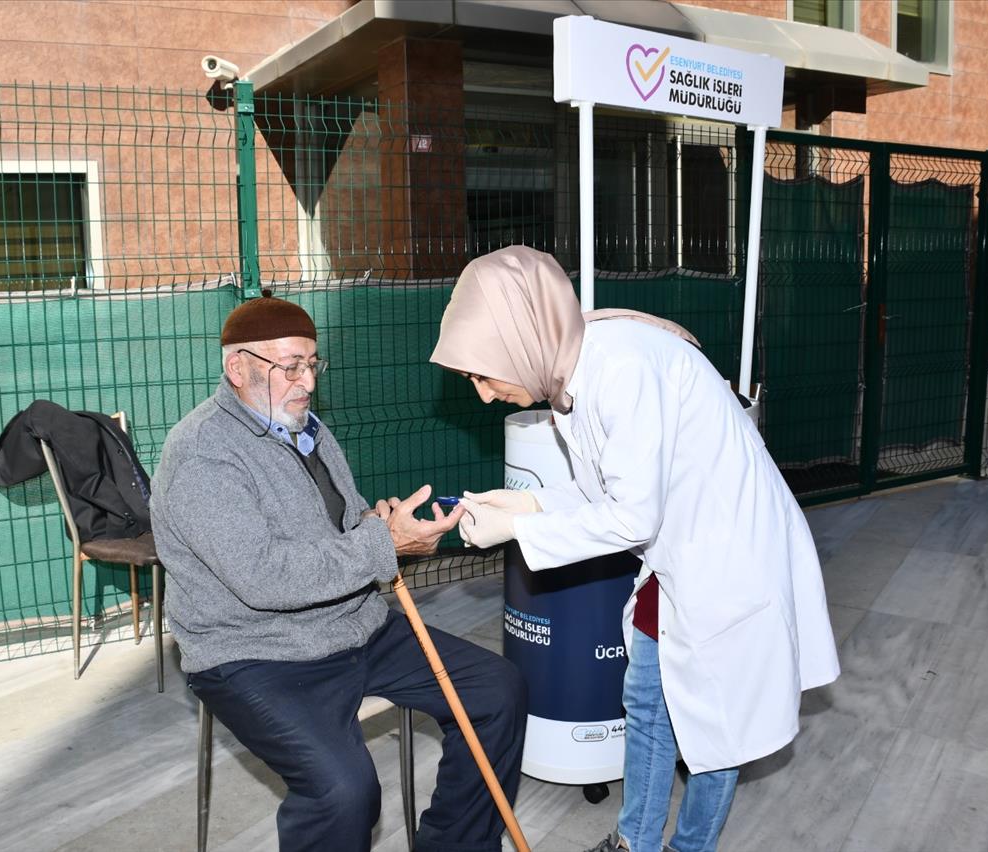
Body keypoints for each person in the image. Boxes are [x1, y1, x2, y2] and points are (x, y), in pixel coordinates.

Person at [430, 246, 840, 852]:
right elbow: (609, 486)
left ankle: (688, 847)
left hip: (727, 564)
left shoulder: (619, 369)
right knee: (647, 702)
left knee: (716, 725)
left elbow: (630, 516)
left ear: (519, 341)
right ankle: (635, 843)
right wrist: (527, 504)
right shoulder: (573, 367)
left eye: (482, 375)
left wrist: (518, 531)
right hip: (676, 559)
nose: (485, 396)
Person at [149, 292, 527, 852]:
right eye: (290, 366)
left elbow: (346, 526)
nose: (306, 381)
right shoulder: (202, 456)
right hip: (253, 652)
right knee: (343, 790)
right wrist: (381, 544)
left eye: (312, 364)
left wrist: (392, 532)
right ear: (238, 367)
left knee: (498, 689)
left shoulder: (308, 429)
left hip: (354, 625)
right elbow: (264, 579)